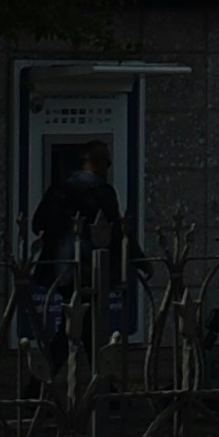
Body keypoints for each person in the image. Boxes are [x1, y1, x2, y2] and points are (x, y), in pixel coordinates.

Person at [28, 140, 139, 365]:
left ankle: (105, 388)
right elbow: (116, 230)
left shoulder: (60, 188)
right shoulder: (102, 191)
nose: (107, 169)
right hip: (91, 270)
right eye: (106, 163)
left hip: (61, 270)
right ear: (95, 163)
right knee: (77, 327)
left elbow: (37, 223)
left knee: (82, 326)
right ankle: (42, 383)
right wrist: (140, 260)